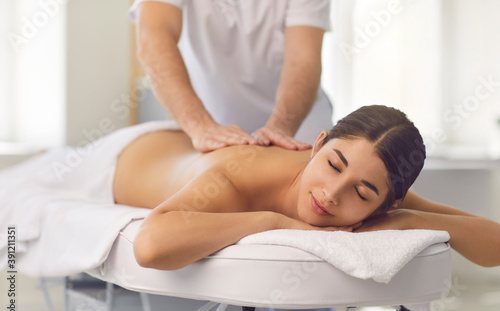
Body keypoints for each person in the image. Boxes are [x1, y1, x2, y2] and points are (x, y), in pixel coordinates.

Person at [112, 106, 500, 271]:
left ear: (385, 204)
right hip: (120, 156)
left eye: (362, 195)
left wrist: (408, 219)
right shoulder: (238, 176)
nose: (333, 193)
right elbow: (149, 247)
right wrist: (270, 222)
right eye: (332, 164)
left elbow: (494, 245)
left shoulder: (379, 195)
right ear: (316, 146)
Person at [129, 0, 333, 152]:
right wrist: (200, 126)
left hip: (298, 120)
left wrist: (280, 128)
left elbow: (302, 60)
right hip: (209, 120)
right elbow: (153, 39)